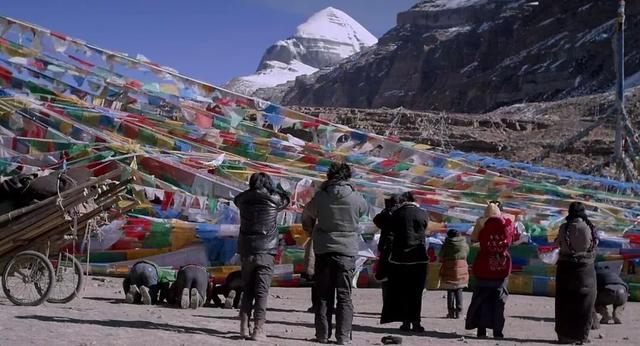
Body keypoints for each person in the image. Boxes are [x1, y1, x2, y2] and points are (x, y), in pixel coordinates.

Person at [302, 162, 369, 345]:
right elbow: (364, 211)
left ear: (329, 176)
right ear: (348, 177)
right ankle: (343, 336)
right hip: (347, 251)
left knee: (324, 294)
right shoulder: (356, 198)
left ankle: (322, 335)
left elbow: (307, 213)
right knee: (344, 296)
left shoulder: (321, 197)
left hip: (324, 250)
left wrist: (310, 230)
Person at [234, 172, 290, 340]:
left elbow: (237, 199)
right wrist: (277, 188)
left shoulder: (242, 199)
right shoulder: (275, 199)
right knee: (261, 292)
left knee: (248, 289)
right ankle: (259, 329)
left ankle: (244, 326)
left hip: (246, 249)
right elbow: (286, 199)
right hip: (266, 250)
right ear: (268, 184)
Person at [380, 192, 428, 333]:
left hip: (399, 259)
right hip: (419, 258)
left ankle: (405, 322)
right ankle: (416, 322)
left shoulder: (397, 213)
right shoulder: (422, 213)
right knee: (416, 293)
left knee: (402, 292)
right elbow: (424, 227)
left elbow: (383, 224)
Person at [465, 202, 514, 339]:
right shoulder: (508, 223)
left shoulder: (481, 224)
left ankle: (481, 330)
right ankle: (497, 331)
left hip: (483, 265)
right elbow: (512, 239)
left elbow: (474, 239)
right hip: (501, 266)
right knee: (499, 301)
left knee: (481, 299)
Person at [555, 202, 598, 344]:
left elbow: (559, 244)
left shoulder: (564, 227)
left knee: (564, 304)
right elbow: (594, 245)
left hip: (566, 269)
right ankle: (581, 337)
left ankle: (564, 336)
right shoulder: (590, 228)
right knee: (585, 305)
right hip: (586, 271)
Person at [373, 195, 401, 319]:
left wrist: (385, 211)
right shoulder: (402, 212)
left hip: (387, 249)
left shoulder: (387, 214)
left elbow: (376, 220)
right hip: (398, 250)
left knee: (385, 280)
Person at [439, 229, 469, 319]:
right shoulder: (464, 243)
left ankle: (451, 312)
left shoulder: (447, 244)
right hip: (462, 265)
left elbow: (441, 255)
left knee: (450, 290)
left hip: (449, 267)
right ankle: (459, 313)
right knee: (459, 290)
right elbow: (467, 252)